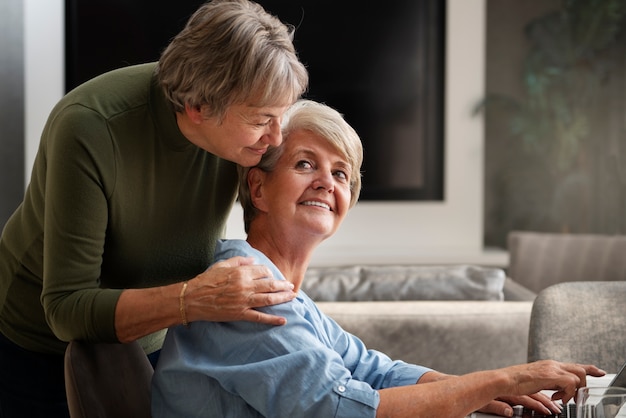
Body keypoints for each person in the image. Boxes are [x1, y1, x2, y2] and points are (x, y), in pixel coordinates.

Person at [151, 99, 605, 418]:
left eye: (341, 173)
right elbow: (340, 409)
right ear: (257, 188)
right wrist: (500, 381)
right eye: (305, 164)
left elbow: (373, 369)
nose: (327, 182)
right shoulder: (241, 287)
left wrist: (471, 393)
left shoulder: (288, 296)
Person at [0, 0, 308, 416]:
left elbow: (275, 225)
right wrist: (190, 300)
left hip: (154, 333)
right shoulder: (90, 128)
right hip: (33, 344)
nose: (275, 138)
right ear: (198, 109)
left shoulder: (245, 130)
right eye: (261, 120)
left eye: (282, 116)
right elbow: (66, 308)